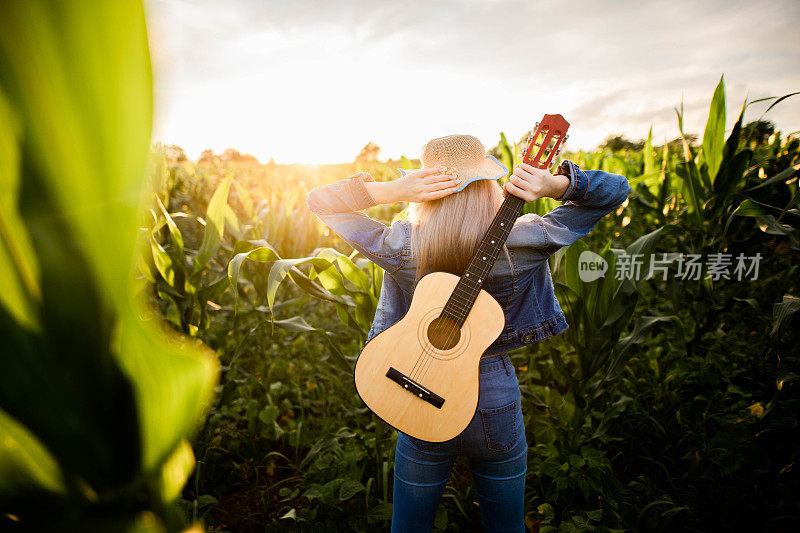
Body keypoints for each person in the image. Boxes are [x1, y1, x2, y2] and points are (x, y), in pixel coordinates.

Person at [306, 134, 631, 532]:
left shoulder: (401, 243)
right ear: (489, 185)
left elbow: (318, 202)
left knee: (408, 525)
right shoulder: (525, 238)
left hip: (416, 385)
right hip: (494, 393)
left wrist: (390, 190)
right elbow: (616, 191)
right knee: (505, 524)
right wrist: (557, 185)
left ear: (424, 190)